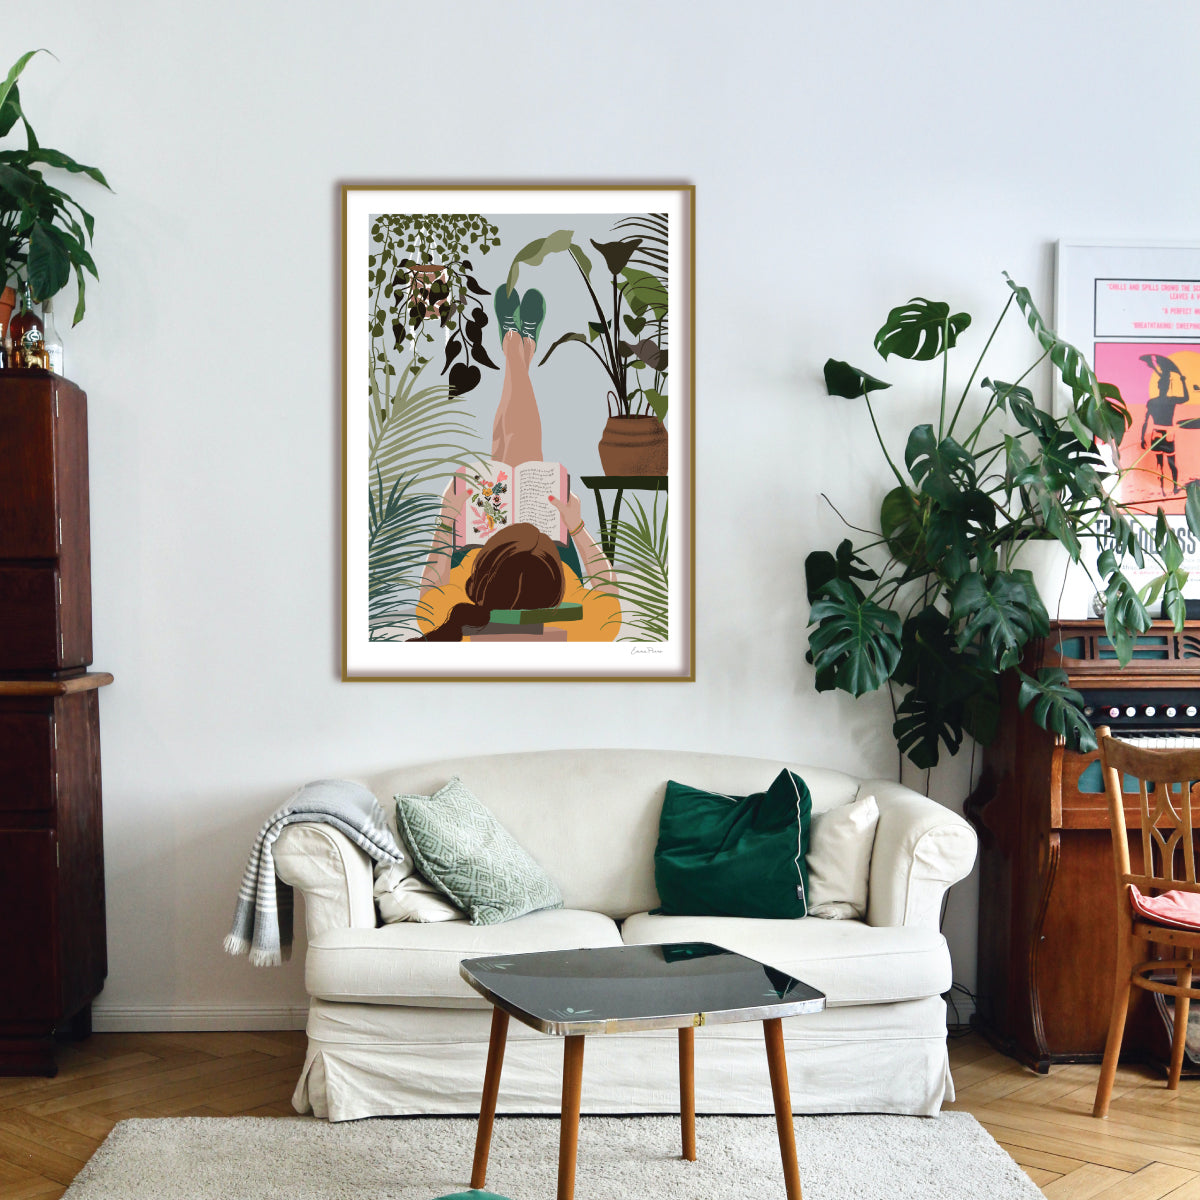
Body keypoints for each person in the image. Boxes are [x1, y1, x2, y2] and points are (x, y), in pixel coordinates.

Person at [412, 284, 620, 642]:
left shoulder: (447, 617)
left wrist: (574, 527)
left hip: (513, 559)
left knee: (510, 455)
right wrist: (448, 515)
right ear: (556, 592)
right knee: (513, 456)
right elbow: (607, 590)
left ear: (480, 580)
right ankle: (517, 351)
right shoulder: (442, 620)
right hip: (507, 560)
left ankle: (516, 349)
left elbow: (606, 591)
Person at [411, 490, 620, 642]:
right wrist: (576, 526)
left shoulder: (449, 622)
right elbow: (607, 586)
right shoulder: (586, 627)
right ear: (557, 591)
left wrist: (447, 519)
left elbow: (430, 587)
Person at [1139, 353, 1194, 495]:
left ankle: (1163, 488)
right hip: (1168, 433)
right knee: (1171, 463)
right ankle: (1173, 488)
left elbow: (1146, 421)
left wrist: (1141, 438)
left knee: (1160, 463)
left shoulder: (1152, 402)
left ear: (1158, 386)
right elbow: (1186, 397)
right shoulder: (1170, 400)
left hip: (1157, 433)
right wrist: (1182, 381)